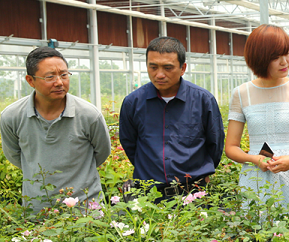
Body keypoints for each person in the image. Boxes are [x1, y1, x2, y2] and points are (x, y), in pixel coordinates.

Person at [0, 47, 111, 210]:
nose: (59, 82)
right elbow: (15, 155)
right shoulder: (12, 116)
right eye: (50, 77)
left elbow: (102, 152)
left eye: (64, 75)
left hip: (85, 211)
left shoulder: (89, 115)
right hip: (36, 211)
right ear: (30, 81)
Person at [224, 24, 289, 212]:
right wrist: (255, 159)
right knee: (257, 226)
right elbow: (231, 147)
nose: (285, 62)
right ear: (259, 58)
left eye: (287, 53)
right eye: (275, 57)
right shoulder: (242, 93)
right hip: (256, 177)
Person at [119, 37, 225, 199]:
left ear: (183, 68)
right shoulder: (133, 102)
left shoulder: (203, 101)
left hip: (193, 194)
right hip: (149, 196)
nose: (159, 74)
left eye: (168, 68)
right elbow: (129, 143)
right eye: (153, 67)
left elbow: (215, 145)